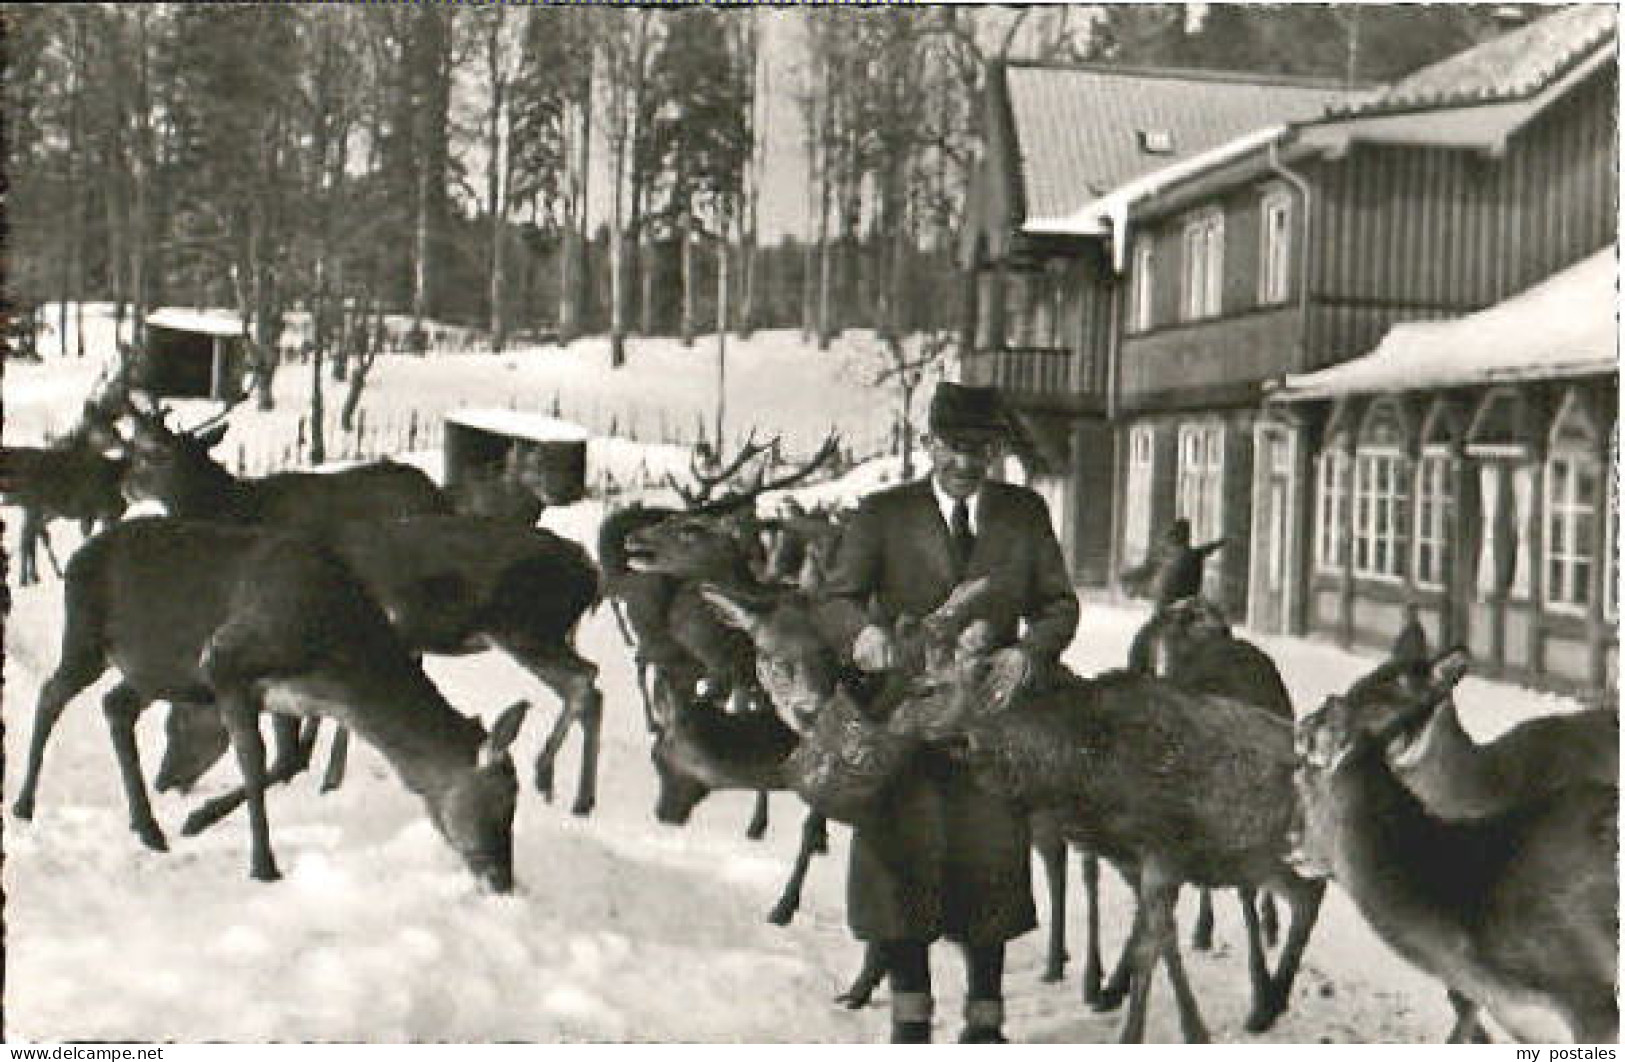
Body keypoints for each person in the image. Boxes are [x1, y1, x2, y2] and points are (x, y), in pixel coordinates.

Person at [818, 381, 1080, 1043]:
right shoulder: (881, 514)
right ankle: (911, 1016)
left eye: (982, 450)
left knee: (988, 858)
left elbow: (1058, 605)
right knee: (900, 859)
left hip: (988, 721)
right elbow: (834, 600)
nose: (967, 463)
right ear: (929, 443)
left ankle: (984, 1020)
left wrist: (1027, 654)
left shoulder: (1022, 514)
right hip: (901, 718)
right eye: (955, 447)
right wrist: (861, 636)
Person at [1123, 517, 1226, 673]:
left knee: (1140, 643)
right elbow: (1207, 549)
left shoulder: (1170, 557)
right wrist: (1221, 542)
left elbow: (1148, 577)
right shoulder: (1192, 555)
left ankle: (1136, 675)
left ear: (1172, 538)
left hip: (1169, 613)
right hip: (1191, 609)